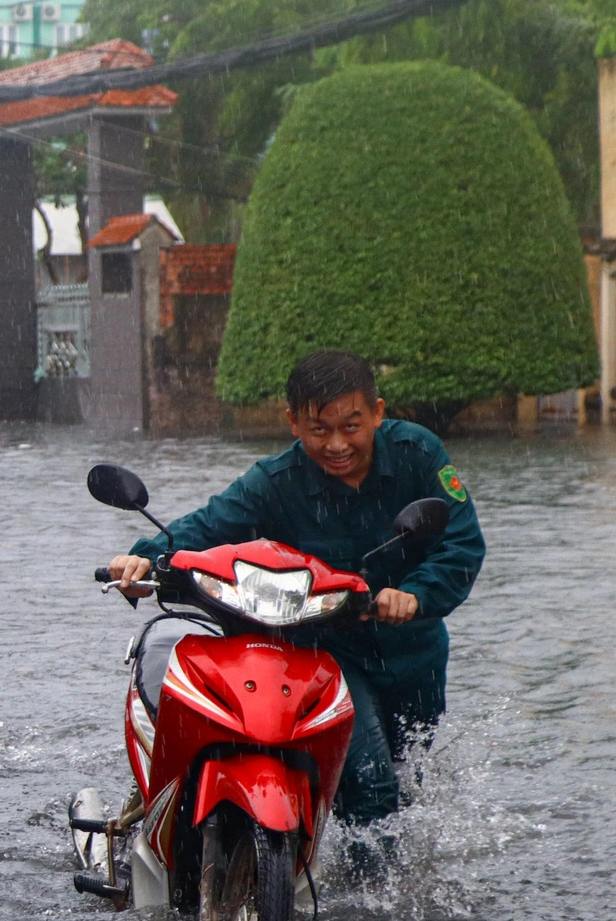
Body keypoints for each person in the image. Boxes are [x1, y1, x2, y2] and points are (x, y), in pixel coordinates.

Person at [106, 349, 487, 828]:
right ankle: (365, 901)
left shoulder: (421, 454)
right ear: (292, 422)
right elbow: (207, 526)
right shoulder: (274, 480)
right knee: (370, 785)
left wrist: (416, 594)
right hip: (327, 655)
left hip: (414, 654)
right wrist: (147, 556)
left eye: (351, 426)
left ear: (378, 412)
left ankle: (374, 877)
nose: (336, 444)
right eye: (318, 429)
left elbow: (462, 544)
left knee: (405, 782)